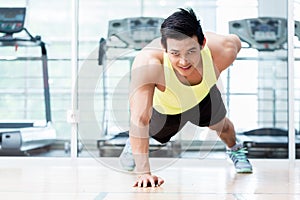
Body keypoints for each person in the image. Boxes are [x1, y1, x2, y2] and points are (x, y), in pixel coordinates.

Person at [119, 8, 252, 188]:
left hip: (202, 96)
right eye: (175, 53)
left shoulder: (223, 51)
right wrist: (144, 174)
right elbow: (139, 119)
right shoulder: (149, 64)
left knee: (222, 126)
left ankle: (236, 150)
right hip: (166, 107)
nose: (183, 62)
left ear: (202, 43)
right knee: (148, 130)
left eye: (191, 51)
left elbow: (236, 41)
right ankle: (132, 145)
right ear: (164, 48)